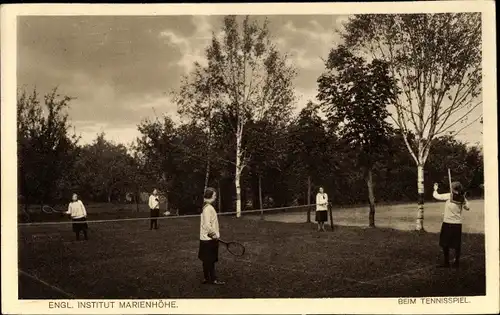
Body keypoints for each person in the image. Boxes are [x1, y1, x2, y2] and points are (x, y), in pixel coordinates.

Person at [433, 181, 470, 268]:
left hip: (447, 223)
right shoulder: (462, 198)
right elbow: (468, 208)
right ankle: (456, 262)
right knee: (456, 244)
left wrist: (435, 189)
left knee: (445, 243)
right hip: (457, 224)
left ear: (453, 189)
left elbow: (436, 196)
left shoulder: (449, 195)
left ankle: (446, 262)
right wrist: (464, 200)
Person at [198, 187, 224, 285]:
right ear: (210, 196)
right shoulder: (208, 208)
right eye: (214, 195)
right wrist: (214, 235)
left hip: (205, 238)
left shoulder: (206, 207)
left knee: (206, 260)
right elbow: (207, 225)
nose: (216, 197)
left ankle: (207, 278)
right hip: (209, 239)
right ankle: (213, 279)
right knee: (210, 260)